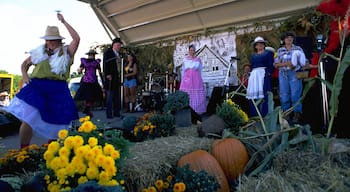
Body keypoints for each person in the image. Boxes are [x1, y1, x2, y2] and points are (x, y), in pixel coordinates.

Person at [3, 13, 80, 148]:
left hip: (58, 89)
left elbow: (76, 38)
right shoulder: (39, 52)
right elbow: (24, 64)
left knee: (57, 121)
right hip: (38, 87)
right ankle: (24, 150)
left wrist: (64, 21)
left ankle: (51, 150)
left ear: (58, 40)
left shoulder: (67, 52)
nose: (49, 42)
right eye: (47, 40)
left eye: (52, 40)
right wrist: (25, 76)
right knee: (28, 119)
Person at [274, 31, 306, 124]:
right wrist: (287, 63)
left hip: (294, 73)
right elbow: (276, 64)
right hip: (283, 74)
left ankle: (297, 115)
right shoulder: (280, 50)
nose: (289, 39)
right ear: (283, 40)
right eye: (287, 37)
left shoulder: (298, 48)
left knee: (295, 95)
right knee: (284, 95)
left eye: (291, 37)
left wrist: (296, 64)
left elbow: (304, 61)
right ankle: (286, 115)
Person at [246, 36, 274, 117]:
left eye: (262, 44)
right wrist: (249, 73)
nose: (260, 45)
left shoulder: (268, 53)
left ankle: (265, 114)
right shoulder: (253, 56)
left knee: (265, 93)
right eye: (258, 44)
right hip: (254, 76)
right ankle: (255, 114)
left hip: (263, 74)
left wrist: (268, 73)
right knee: (253, 95)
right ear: (255, 46)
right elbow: (252, 66)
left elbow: (271, 65)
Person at [179, 44, 206, 122]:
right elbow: (183, 70)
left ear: (195, 51)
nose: (192, 51)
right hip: (187, 80)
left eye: (193, 50)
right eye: (190, 50)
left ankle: (198, 113)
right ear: (188, 51)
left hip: (196, 79)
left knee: (197, 95)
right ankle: (188, 112)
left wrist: (200, 79)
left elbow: (200, 70)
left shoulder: (198, 59)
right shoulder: (185, 59)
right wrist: (184, 79)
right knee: (188, 94)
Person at [74, 49, 104, 117]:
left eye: (92, 55)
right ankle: (88, 109)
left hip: (87, 80)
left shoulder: (85, 61)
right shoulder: (96, 62)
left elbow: (80, 69)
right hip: (91, 80)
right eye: (91, 55)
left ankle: (88, 109)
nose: (91, 56)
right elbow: (100, 72)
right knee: (91, 96)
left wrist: (79, 71)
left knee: (89, 96)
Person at [103, 37, 123, 118]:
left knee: (116, 96)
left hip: (117, 76)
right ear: (114, 45)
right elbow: (105, 64)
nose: (119, 47)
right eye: (118, 45)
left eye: (120, 45)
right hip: (110, 76)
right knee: (110, 96)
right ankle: (109, 113)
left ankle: (116, 112)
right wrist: (107, 74)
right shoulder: (108, 53)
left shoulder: (118, 54)